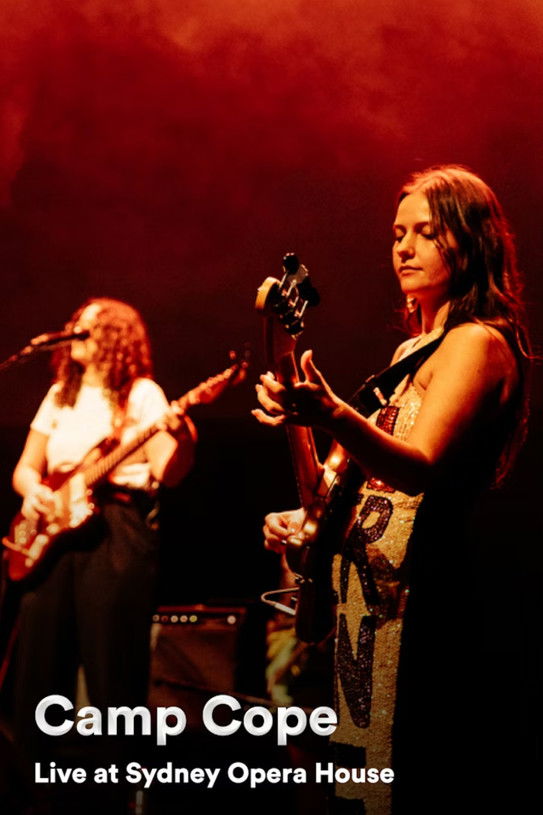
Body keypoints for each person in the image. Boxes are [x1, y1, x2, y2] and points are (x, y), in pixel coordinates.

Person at [254, 166, 530, 814]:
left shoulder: (474, 342)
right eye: (397, 233)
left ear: (468, 241)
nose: (402, 247)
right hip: (365, 613)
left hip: (423, 606)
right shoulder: (409, 354)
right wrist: (297, 422)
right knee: (358, 789)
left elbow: (419, 465)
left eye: (424, 233)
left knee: (408, 782)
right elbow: (328, 496)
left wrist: (330, 414)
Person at [8, 297, 196, 810]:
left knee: (112, 666)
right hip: (53, 534)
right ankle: (29, 790)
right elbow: (26, 468)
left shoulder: (142, 396)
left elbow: (167, 473)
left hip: (116, 528)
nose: (75, 331)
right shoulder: (59, 395)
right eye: (75, 324)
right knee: (37, 669)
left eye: (88, 327)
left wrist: (184, 441)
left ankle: (116, 796)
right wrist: (35, 493)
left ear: (114, 337)